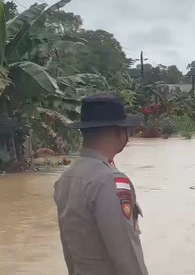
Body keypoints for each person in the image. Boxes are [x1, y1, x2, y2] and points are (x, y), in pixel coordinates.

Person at [54, 93, 148, 275]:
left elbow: (69, 254)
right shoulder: (109, 181)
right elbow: (127, 255)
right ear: (119, 132)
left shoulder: (66, 178)